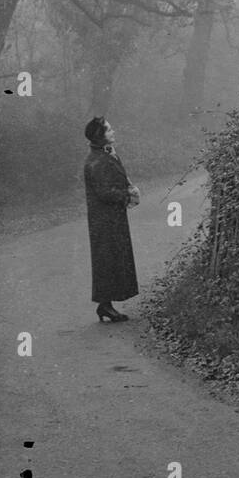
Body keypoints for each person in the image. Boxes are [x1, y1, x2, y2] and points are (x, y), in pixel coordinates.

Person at [83, 116, 141, 323]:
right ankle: (105, 306)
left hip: (112, 217)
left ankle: (106, 305)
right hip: (104, 219)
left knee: (112, 259)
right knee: (107, 260)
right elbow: (104, 192)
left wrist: (128, 189)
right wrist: (127, 197)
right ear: (100, 136)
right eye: (109, 130)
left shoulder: (105, 154)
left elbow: (116, 180)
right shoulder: (96, 161)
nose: (113, 132)